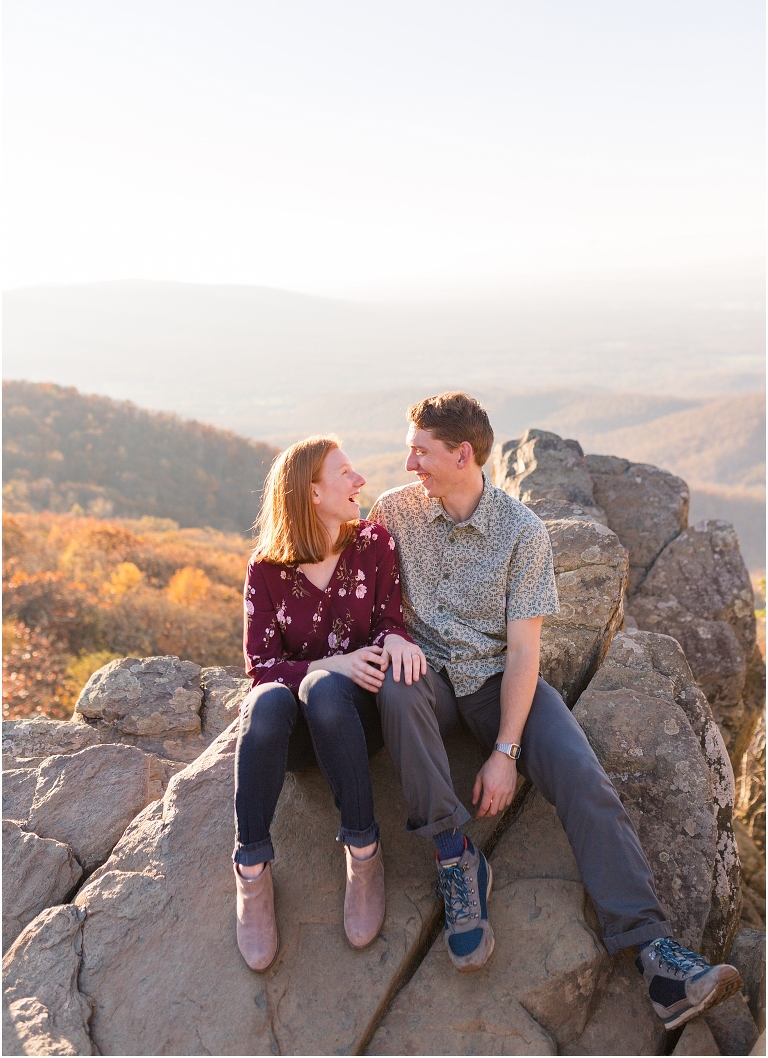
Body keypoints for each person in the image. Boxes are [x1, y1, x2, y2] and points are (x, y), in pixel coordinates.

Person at [368, 391, 742, 1031]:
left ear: (463, 454)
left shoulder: (522, 532)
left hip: (497, 683)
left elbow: (523, 651)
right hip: (424, 677)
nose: (408, 465)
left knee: (584, 779)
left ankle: (658, 959)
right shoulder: (393, 515)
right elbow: (352, 586)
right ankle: (456, 857)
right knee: (396, 693)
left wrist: (506, 754)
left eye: (420, 453)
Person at [234, 435, 426, 971]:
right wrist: (330, 664)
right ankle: (252, 872)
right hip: (293, 739)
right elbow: (261, 666)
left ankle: (363, 856)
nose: (360, 482)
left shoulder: (373, 543)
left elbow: (390, 620)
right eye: (347, 473)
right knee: (268, 702)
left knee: (323, 692)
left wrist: (395, 639)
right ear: (312, 493)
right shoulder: (266, 570)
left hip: (355, 724)